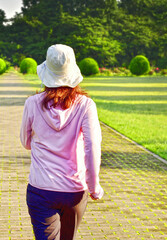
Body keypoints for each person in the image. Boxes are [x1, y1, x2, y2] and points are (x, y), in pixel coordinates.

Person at [20, 44, 104, 240]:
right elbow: (92, 148)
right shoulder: (86, 105)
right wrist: (94, 187)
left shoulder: (32, 103)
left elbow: (25, 142)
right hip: (74, 191)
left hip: (41, 189)